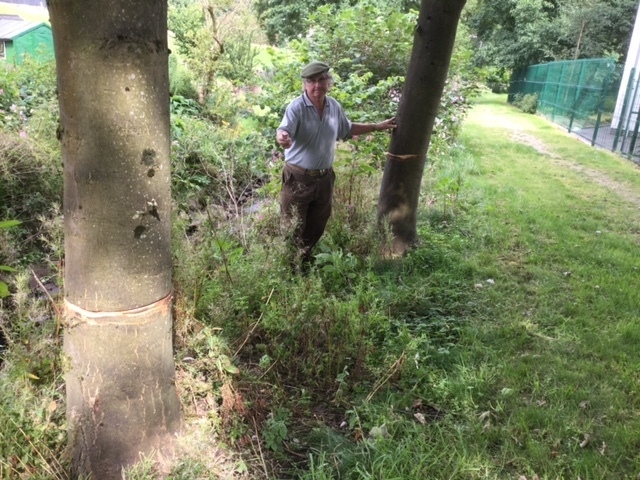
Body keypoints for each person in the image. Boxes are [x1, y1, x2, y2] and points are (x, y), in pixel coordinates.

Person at [275, 61, 396, 267]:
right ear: (305, 85)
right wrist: (282, 138)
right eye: (312, 81)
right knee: (292, 224)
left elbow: (347, 129)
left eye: (321, 80)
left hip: (324, 179)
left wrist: (377, 126)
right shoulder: (296, 107)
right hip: (298, 178)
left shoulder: (333, 107)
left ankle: (303, 260)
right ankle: (289, 267)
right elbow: (283, 130)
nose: (317, 86)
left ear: (328, 83)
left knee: (317, 223)